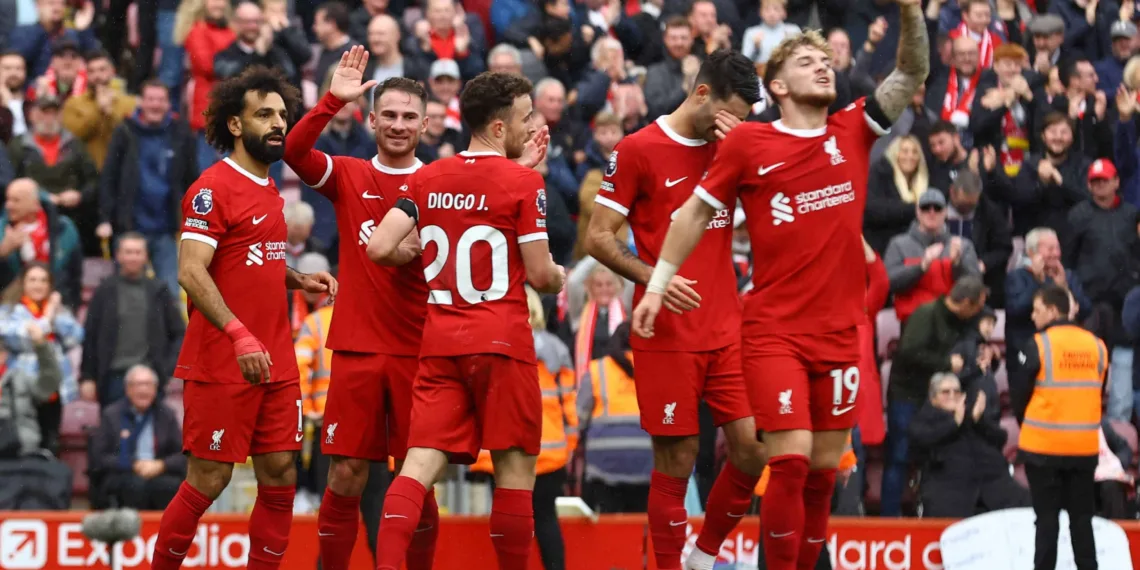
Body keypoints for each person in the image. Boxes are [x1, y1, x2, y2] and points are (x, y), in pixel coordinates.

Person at [631, 5, 930, 568]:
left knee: (822, 478)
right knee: (788, 463)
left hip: (840, 334)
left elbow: (911, 72)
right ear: (777, 85)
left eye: (826, 60)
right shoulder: (749, 143)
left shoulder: (853, 129)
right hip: (775, 333)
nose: (823, 66)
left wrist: (911, 12)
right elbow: (694, 213)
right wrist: (655, 286)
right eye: (806, 60)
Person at [365, 70, 565, 570]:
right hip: (502, 343)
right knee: (514, 475)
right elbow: (541, 276)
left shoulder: (427, 177)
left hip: (441, 343)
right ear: (499, 127)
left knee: (415, 469)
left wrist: (420, 252)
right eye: (524, 118)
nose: (530, 127)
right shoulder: (525, 182)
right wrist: (560, 275)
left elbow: (380, 246)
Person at [583, 49, 768, 570]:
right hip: (666, 331)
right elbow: (598, 237)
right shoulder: (639, 148)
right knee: (677, 458)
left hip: (727, 326)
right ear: (702, 94)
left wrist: (747, 152)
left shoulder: (734, 146)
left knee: (753, 449)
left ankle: (703, 555)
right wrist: (653, 279)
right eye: (729, 115)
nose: (732, 128)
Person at [149, 66, 338, 570]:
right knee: (209, 480)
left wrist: (297, 278)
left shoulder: (271, 189)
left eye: (282, 115)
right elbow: (191, 271)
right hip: (223, 360)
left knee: (280, 474)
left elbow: (252, 260)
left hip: (275, 360)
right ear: (235, 124)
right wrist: (238, 334)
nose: (278, 124)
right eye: (264, 114)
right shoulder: (211, 189)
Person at [281, 46, 434, 570]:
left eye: (409, 117)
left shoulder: (440, 183)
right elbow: (294, 151)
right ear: (371, 120)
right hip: (357, 348)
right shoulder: (347, 173)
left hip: (420, 353)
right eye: (388, 115)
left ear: (425, 124)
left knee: (416, 480)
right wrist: (331, 101)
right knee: (346, 473)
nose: (398, 125)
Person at [1013, 285, 1105, 570]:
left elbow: (1019, 394)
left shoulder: (1038, 344)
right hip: (1084, 449)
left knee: (1046, 522)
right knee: (1082, 521)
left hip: (1043, 448)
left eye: (1037, 310)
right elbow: (1097, 392)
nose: (1032, 315)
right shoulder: (1097, 346)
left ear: (1053, 311)